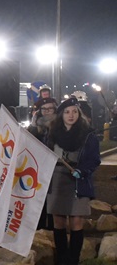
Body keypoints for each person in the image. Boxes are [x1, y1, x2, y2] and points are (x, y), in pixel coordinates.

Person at [46, 97, 100, 265]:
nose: (71, 115)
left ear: (79, 114)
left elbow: (94, 159)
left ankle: (73, 260)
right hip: (57, 179)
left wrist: (82, 171)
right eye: (67, 112)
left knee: (76, 221)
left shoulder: (88, 134)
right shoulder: (52, 133)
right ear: (61, 115)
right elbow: (44, 153)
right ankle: (61, 259)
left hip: (78, 181)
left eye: (74, 112)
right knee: (59, 222)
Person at [30, 97, 59, 231]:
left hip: (55, 167)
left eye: (50, 108)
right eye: (44, 109)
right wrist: (34, 126)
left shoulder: (60, 126)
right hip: (39, 166)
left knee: (53, 197)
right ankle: (39, 227)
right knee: (39, 197)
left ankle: (53, 227)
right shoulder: (36, 127)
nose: (47, 111)